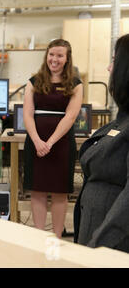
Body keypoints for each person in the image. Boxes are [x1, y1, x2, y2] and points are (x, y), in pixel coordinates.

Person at [74, 34, 129, 252]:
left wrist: (98, 247)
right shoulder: (121, 121)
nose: (108, 68)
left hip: (109, 247)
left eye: (114, 60)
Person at [23, 38, 83, 238]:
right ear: (46, 56)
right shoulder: (33, 81)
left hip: (61, 144)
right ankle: (40, 238)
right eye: (51, 54)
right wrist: (38, 141)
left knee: (59, 192)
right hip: (36, 142)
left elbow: (71, 116)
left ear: (67, 58)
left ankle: (57, 240)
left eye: (59, 55)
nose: (54, 59)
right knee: (37, 190)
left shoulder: (75, 84)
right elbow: (28, 115)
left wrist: (50, 142)